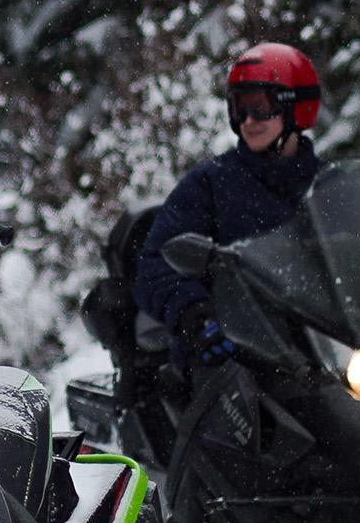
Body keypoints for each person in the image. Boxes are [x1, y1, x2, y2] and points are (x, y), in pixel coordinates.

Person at [134, 42, 323, 370]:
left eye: (260, 107)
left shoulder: (325, 185)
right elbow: (156, 262)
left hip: (313, 349)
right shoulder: (210, 183)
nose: (248, 120)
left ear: (296, 108)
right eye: (239, 109)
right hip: (226, 353)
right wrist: (195, 315)